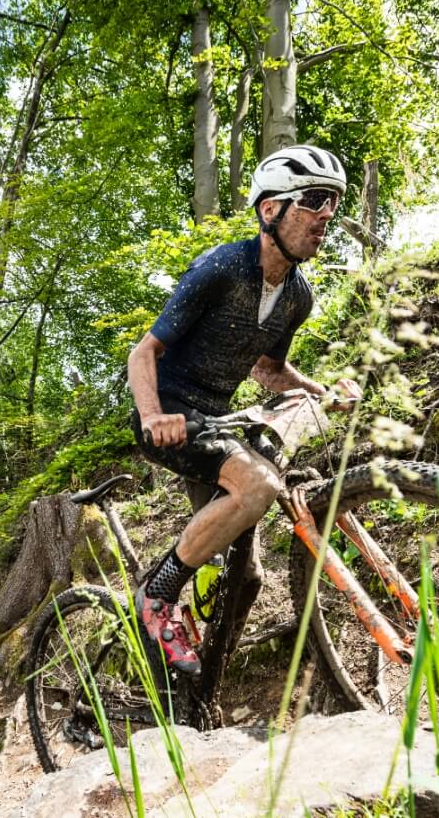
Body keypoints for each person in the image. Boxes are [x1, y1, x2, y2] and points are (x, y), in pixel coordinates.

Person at [126, 144, 362, 676]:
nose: (327, 215)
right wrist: (151, 415)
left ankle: (192, 692)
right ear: (270, 210)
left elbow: (267, 370)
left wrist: (323, 392)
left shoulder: (297, 296)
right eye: (315, 200)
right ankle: (156, 596)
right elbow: (143, 353)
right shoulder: (221, 268)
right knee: (258, 485)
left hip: (218, 423)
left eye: (335, 205)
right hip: (171, 416)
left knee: (245, 577)